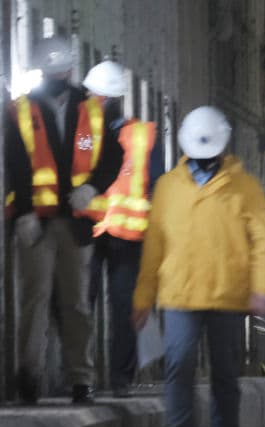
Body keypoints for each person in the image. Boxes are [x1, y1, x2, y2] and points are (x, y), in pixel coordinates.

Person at [132, 106, 265, 427]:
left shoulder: (244, 187)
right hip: (179, 294)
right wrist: (143, 296)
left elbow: (264, 240)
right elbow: (154, 244)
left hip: (227, 297)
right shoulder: (168, 187)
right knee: (178, 371)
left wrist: (263, 287)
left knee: (225, 378)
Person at [5, 36, 124, 405]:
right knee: (34, 301)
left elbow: (109, 159)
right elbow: (14, 163)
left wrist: (91, 188)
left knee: (75, 304)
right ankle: (29, 376)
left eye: (61, 70)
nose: (58, 75)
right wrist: (22, 212)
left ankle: (80, 379)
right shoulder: (21, 110)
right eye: (51, 71)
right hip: (36, 223)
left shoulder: (90, 110)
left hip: (75, 222)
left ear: (70, 69)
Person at [84, 60, 165, 397]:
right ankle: (118, 379)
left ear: (99, 97)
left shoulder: (89, 135)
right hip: (124, 236)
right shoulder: (142, 134)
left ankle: (84, 378)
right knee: (120, 308)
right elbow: (158, 184)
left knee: (84, 307)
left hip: (98, 232)